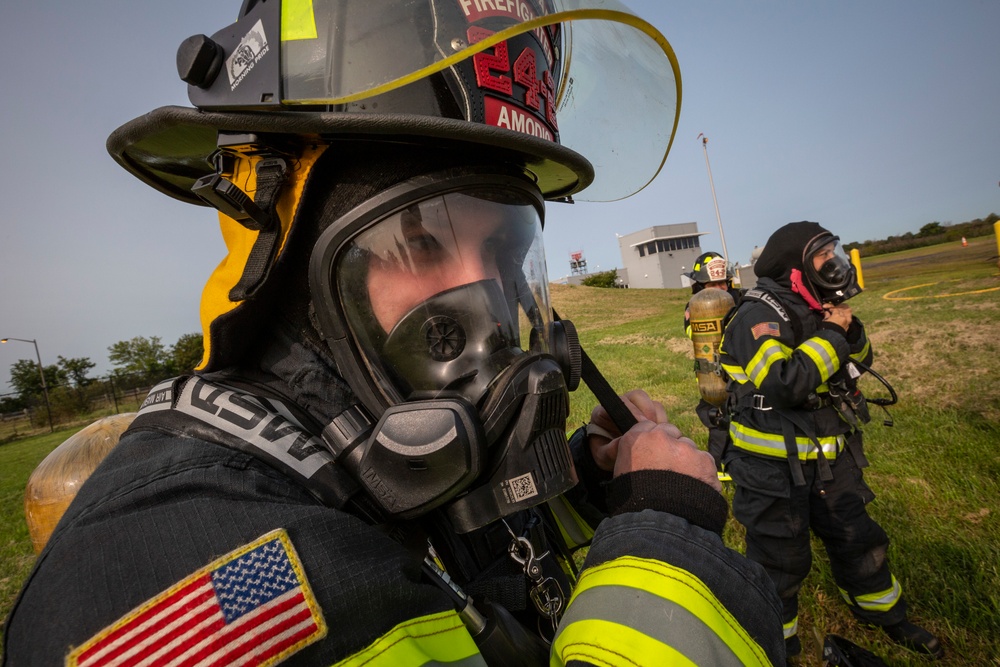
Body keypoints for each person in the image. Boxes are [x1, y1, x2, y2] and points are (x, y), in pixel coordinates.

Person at [3, 2, 785, 665]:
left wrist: (587, 485)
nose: (483, 304)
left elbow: (442, 551)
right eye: (421, 246)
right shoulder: (211, 585)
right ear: (294, 266)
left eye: (507, 254)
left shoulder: (345, 423)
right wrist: (664, 540)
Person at [718, 221, 944, 661]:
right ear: (795, 268)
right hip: (771, 468)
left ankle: (886, 616)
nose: (836, 265)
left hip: (829, 455)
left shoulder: (816, 307)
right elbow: (784, 384)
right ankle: (776, 642)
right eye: (824, 258)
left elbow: (860, 361)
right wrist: (834, 336)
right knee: (779, 558)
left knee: (858, 538)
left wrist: (849, 332)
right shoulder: (756, 316)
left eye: (833, 254)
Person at [683, 251, 745, 468]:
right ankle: (716, 468)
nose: (720, 289)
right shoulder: (696, 308)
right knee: (718, 424)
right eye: (713, 284)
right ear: (701, 286)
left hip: (742, 375)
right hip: (714, 377)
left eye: (723, 283)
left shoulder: (741, 299)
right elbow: (694, 334)